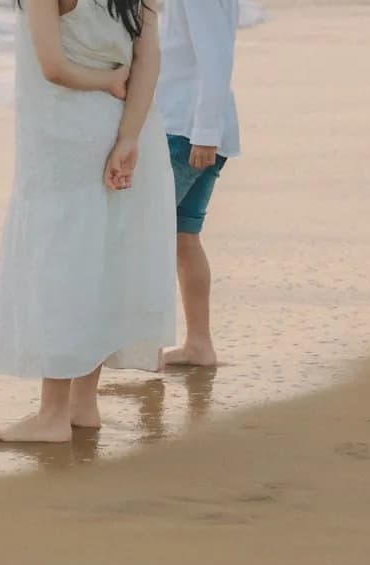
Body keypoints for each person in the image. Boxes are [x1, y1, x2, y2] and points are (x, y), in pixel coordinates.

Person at [0, 0, 175, 443]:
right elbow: (148, 60)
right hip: (125, 126)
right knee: (100, 261)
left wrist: (104, 79)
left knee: (62, 265)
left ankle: (52, 414)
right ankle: (82, 403)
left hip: (64, 134)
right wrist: (128, 137)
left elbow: (53, 67)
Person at [158, 0, 241, 367]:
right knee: (183, 238)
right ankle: (198, 344)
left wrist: (205, 133)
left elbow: (215, 58)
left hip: (186, 131)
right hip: (199, 129)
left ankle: (144, 349)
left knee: (147, 239)